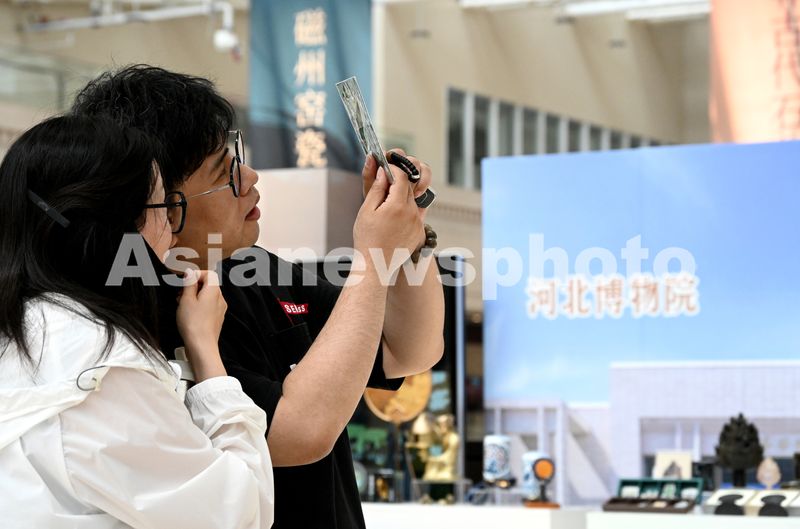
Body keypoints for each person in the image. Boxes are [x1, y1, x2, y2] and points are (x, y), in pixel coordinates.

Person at [73, 65, 445, 529]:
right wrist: (373, 257)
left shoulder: (253, 267)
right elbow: (296, 435)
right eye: (224, 172)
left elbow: (407, 351)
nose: (249, 177)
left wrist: (410, 238)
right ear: (160, 198)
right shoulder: (136, 318)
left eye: (238, 158)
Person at [0, 115, 274, 528]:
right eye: (165, 207)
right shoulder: (102, 368)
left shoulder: (26, 331)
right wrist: (206, 353)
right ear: (113, 229)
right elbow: (237, 512)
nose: (173, 231)